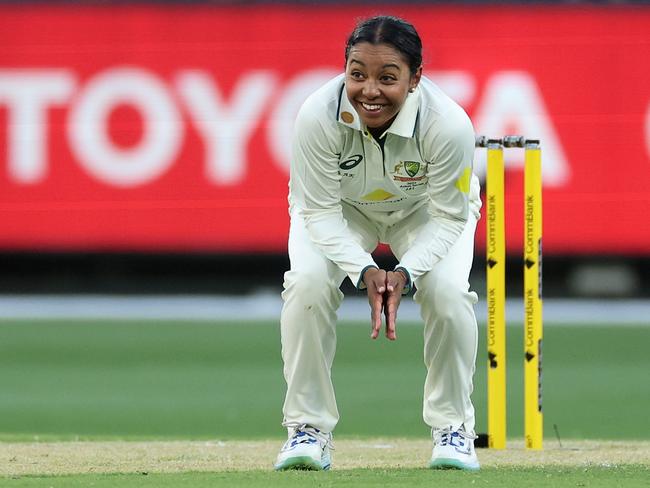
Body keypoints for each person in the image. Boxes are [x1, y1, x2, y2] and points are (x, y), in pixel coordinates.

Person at [274, 15, 482, 472]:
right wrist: (365, 270)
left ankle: (454, 429)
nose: (369, 90)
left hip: (424, 213)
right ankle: (307, 429)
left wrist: (405, 274)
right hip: (343, 212)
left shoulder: (448, 124)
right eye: (357, 74)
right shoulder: (316, 114)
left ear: (415, 79)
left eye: (387, 77)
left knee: (447, 294)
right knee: (307, 285)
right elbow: (319, 212)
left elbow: (450, 216)